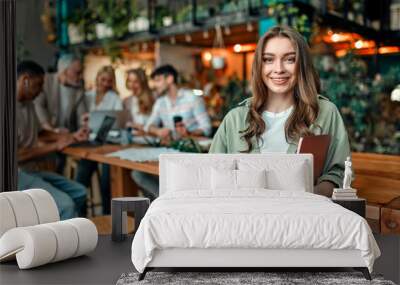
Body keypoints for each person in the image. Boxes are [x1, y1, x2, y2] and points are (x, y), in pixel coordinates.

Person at [209, 26, 351, 197]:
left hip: (303, 218)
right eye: (269, 60)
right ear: (259, 66)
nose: (278, 69)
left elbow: (339, 174)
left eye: (289, 59)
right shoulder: (235, 119)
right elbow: (212, 176)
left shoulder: (325, 113)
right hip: (245, 217)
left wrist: (304, 194)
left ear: (302, 65)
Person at [16, 60, 88, 220]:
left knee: (80, 192)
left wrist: (70, 137)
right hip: (16, 175)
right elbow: (17, 155)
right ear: (25, 80)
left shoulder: (28, 104)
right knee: (66, 205)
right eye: (39, 85)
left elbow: (40, 133)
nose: (41, 90)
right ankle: (65, 241)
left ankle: (66, 232)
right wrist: (56, 145)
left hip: (31, 170)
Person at [133, 64, 212, 200]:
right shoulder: (160, 102)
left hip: (191, 153)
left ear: (169, 79)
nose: (155, 85)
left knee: (170, 178)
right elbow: (148, 126)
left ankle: (169, 201)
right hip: (170, 151)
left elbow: (207, 128)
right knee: (137, 173)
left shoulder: (192, 98)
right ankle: (166, 201)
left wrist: (188, 133)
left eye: (158, 80)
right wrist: (158, 131)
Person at [76, 65, 122, 215]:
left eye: (109, 81)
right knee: (81, 177)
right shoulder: (86, 96)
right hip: (89, 142)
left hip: (108, 143)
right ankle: (81, 216)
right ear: (97, 78)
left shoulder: (115, 98)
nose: (105, 83)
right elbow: (78, 118)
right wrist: (83, 121)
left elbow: (119, 121)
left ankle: (107, 216)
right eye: (103, 79)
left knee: (106, 183)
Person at [34, 53, 87, 133]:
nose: (81, 77)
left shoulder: (79, 87)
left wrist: (84, 122)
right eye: (78, 73)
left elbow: (82, 115)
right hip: (47, 134)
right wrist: (53, 131)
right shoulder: (45, 81)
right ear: (64, 71)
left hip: (68, 135)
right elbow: (38, 108)